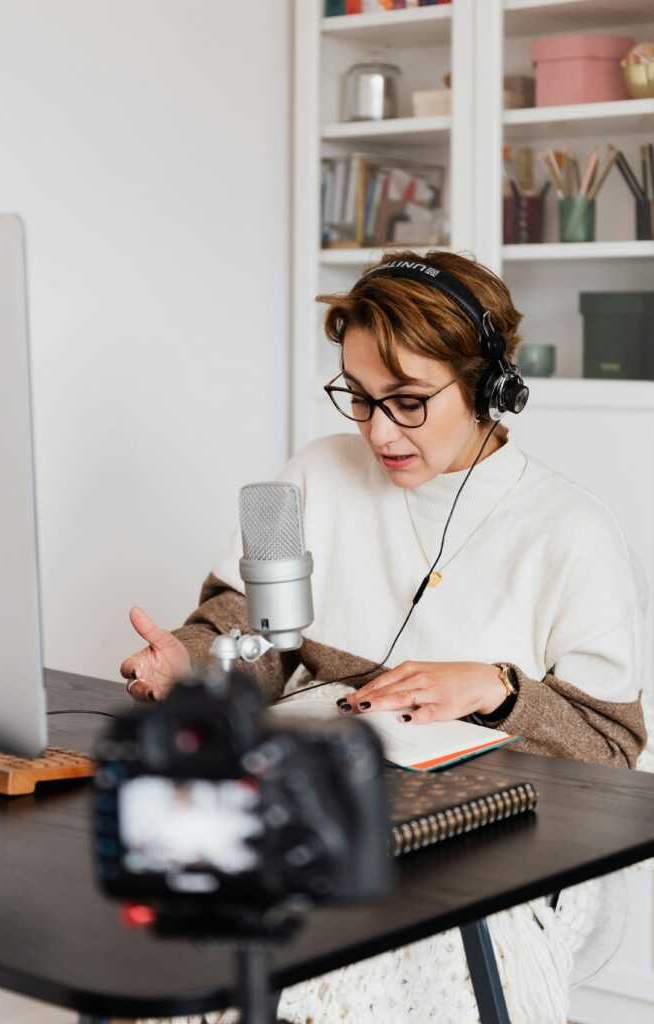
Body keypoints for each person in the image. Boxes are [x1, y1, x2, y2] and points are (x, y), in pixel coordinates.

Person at [120, 249, 647, 1023]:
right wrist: (190, 660)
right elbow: (258, 636)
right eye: (358, 398)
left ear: (487, 387)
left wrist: (500, 691)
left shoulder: (572, 530)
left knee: (395, 937)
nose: (377, 431)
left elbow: (611, 751)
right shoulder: (313, 475)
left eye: (406, 401)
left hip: (501, 833)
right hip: (321, 793)